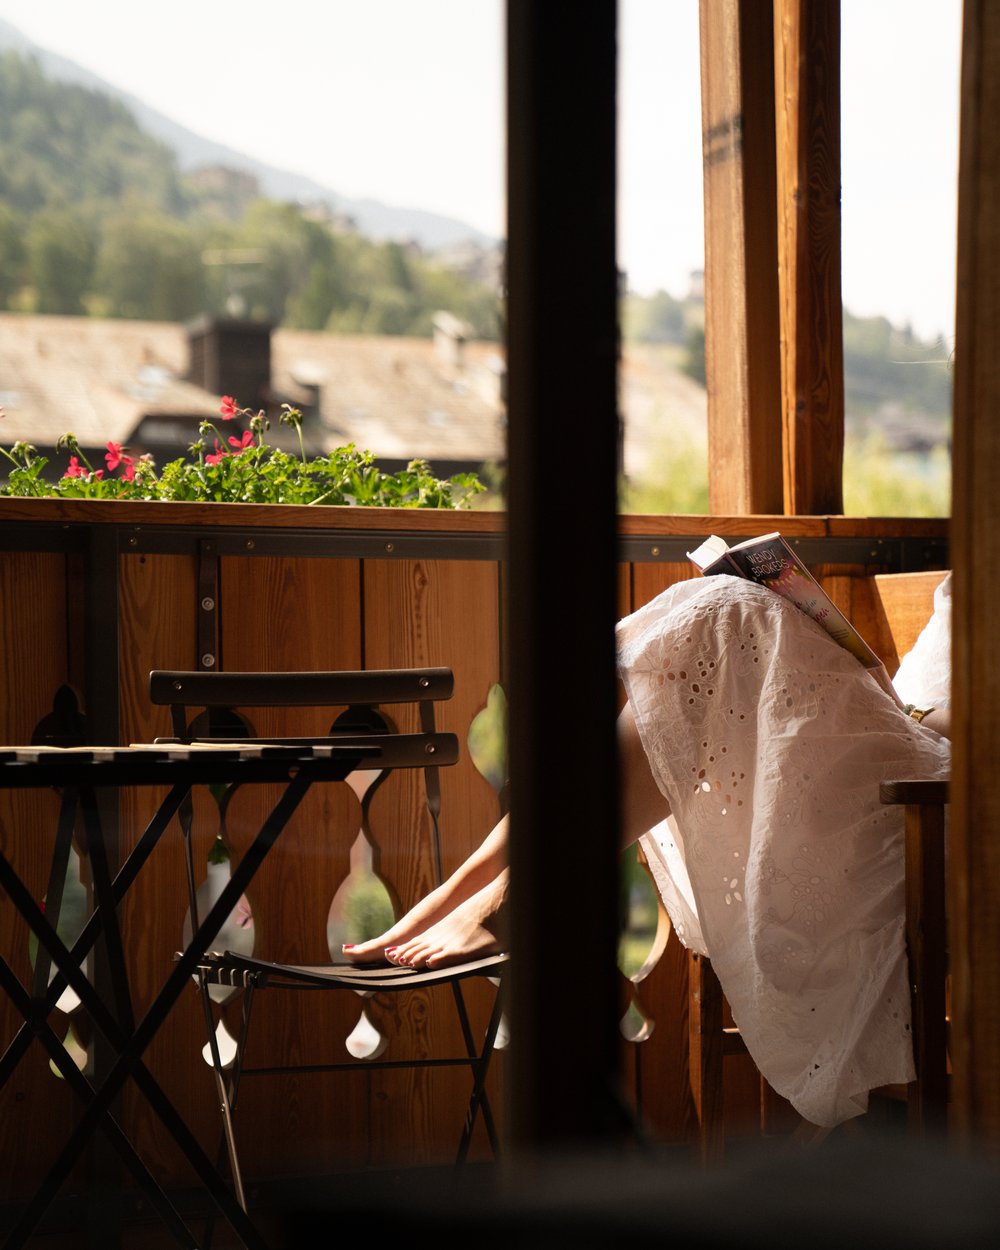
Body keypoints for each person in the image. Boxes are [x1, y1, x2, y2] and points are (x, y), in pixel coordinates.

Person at [344, 571, 952, 1127]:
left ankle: (505, 887)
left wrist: (903, 709)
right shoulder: (975, 576)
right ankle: (484, 884)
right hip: (897, 738)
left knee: (729, 614)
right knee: (721, 623)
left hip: (945, 797)